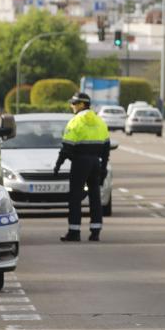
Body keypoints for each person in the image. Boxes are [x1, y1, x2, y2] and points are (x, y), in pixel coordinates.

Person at [54, 92, 110, 242]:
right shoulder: (100, 121)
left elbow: (67, 146)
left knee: (75, 197)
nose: (71, 106)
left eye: (73, 103)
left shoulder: (75, 121)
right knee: (95, 196)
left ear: (81, 104)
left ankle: (74, 231)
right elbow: (106, 147)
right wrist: (103, 168)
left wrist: (58, 164)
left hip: (80, 162)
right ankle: (96, 231)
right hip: (95, 163)